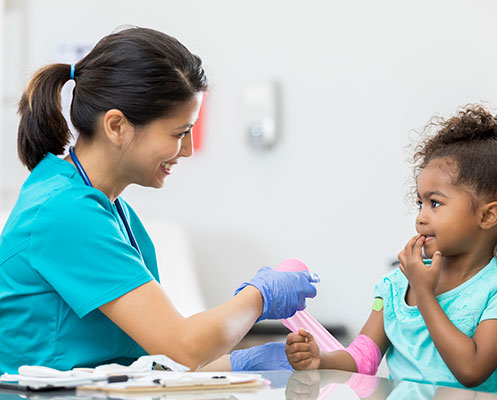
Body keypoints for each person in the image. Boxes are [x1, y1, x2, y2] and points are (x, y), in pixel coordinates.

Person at [0, 27, 319, 374]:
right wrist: (260, 297)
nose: (188, 150)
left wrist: (237, 364)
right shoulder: (62, 211)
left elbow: (148, 361)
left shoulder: (109, 209)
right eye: (179, 133)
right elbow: (182, 347)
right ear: (116, 126)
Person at [285, 105, 497, 394]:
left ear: (487, 216)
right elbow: (364, 356)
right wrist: (322, 359)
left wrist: (424, 293)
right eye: (420, 203)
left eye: (435, 203)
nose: (421, 217)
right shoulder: (395, 284)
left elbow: (472, 370)